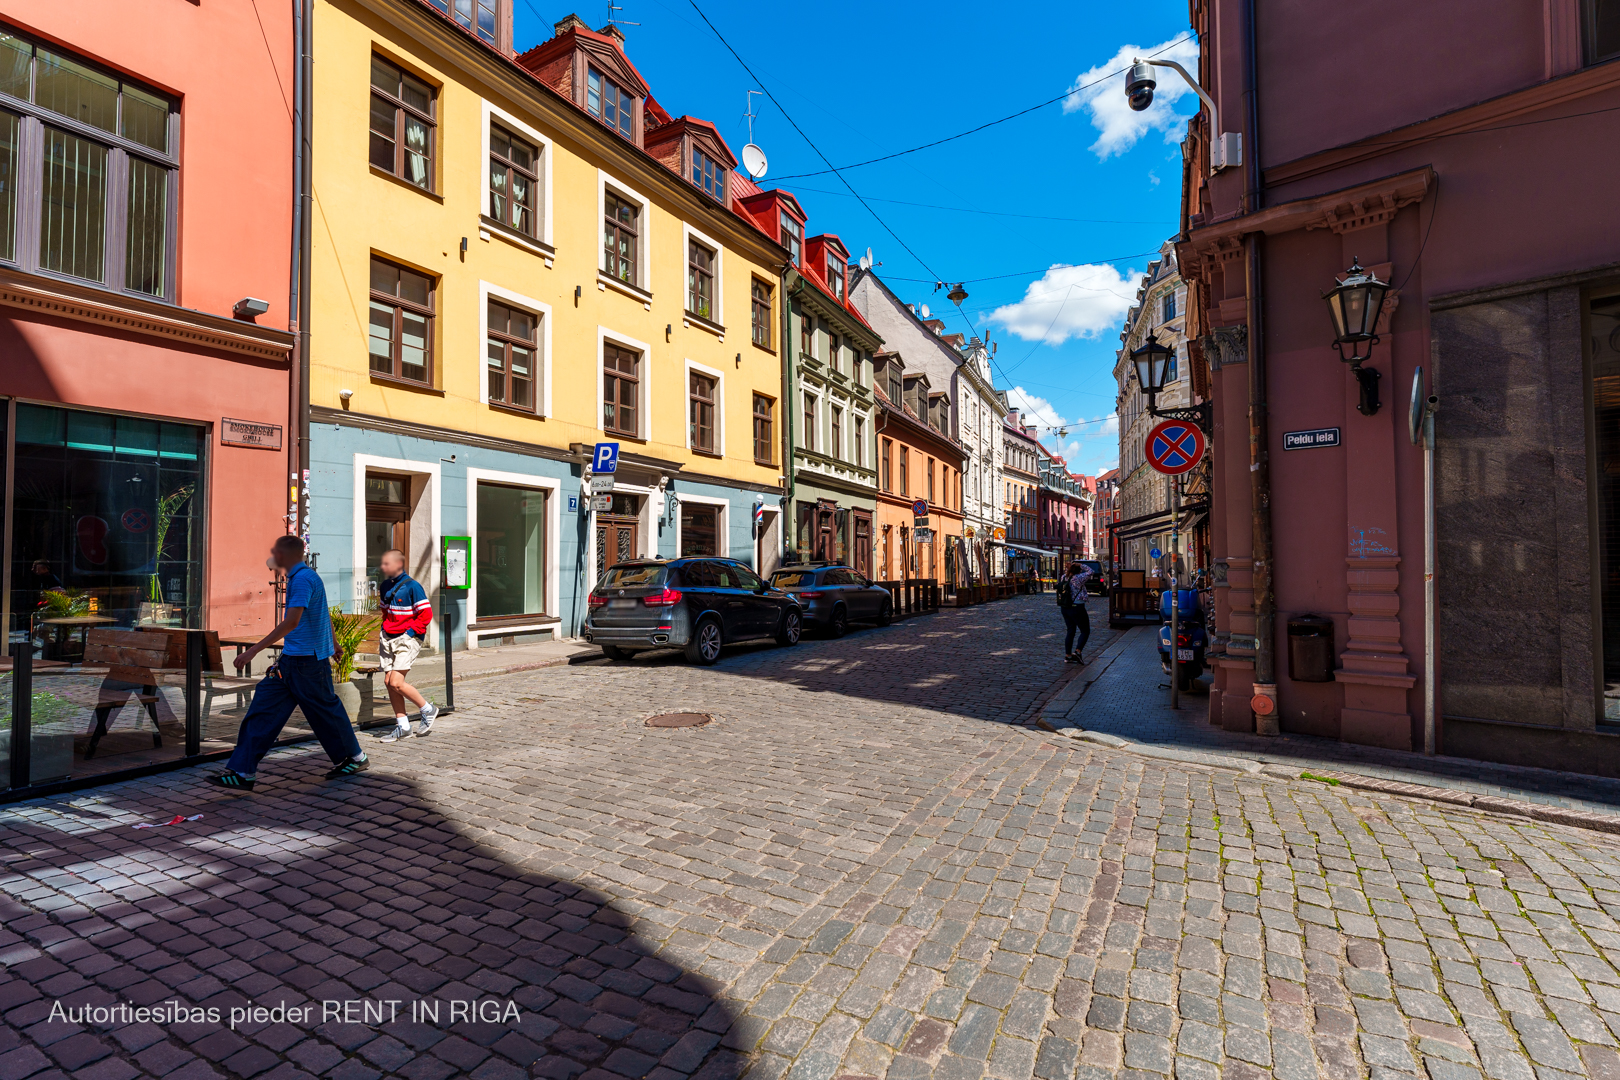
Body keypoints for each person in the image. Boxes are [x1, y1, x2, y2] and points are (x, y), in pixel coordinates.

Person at [208, 536, 368, 790]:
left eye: (276, 553)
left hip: (307, 664)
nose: (273, 558)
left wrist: (253, 651)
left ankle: (355, 757)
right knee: (263, 710)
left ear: (286, 555)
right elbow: (321, 613)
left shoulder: (303, 579)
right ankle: (242, 772)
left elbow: (292, 621)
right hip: (293, 662)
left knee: (325, 712)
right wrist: (334, 644)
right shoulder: (304, 578)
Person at [373, 548, 437, 742]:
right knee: (388, 682)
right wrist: (385, 630)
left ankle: (428, 709)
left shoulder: (413, 586)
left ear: (399, 564)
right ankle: (404, 727)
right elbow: (385, 612)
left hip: (406, 638)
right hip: (388, 637)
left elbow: (426, 615)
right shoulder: (385, 586)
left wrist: (409, 633)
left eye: (386, 563)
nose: (383, 567)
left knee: (396, 682)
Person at [1057, 561, 1094, 663]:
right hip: (1077, 606)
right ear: (1079, 571)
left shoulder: (1064, 577)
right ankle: (1078, 651)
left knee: (1070, 630)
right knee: (1085, 630)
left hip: (1065, 607)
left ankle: (1068, 655)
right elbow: (1091, 571)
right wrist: (1080, 564)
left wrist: (1071, 567)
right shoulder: (1078, 578)